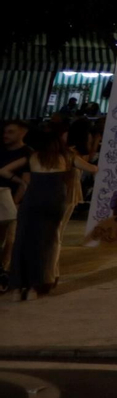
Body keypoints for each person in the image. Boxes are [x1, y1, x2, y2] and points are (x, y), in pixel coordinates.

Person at [1, 122, 99, 299]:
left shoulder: (32, 156)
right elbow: (92, 169)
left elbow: (4, 170)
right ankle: (35, 287)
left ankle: (17, 288)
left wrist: (21, 182)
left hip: (31, 200)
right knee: (46, 242)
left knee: (23, 241)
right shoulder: (67, 156)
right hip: (54, 201)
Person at [0, 119, 27, 293]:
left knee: (9, 239)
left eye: (11, 132)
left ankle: (3, 271)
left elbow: (26, 181)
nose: (6, 135)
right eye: (5, 131)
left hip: (12, 200)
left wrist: (17, 202)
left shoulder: (27, 153)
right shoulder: (2, 150)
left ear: (22, 133)